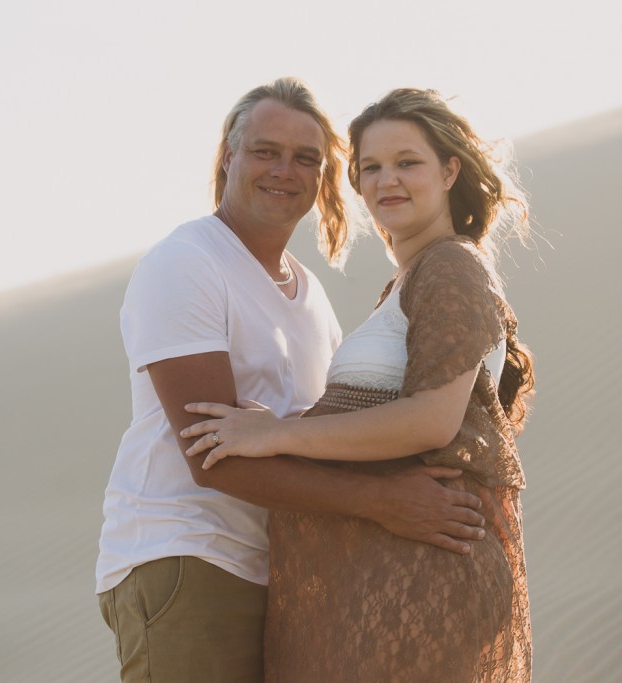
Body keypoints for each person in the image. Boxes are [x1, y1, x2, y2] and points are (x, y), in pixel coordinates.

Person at [95, 78, 488, 683]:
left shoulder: (311, 295)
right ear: (229, 156)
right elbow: (212, 456)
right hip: (189, 558)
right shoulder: (187, 262)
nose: (285, 171)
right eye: (266, 151)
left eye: (306, 158)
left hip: (281, 576)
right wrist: (383, 502)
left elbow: (319, 434)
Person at [181, 87, 535, 682]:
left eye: (407, 162)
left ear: (449, 171)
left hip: (421, 584)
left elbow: (432, 421)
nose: (386, 180)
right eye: (371, 167)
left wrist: (275, 435)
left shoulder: (451, 265)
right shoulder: (405, 285)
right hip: (382, 586)